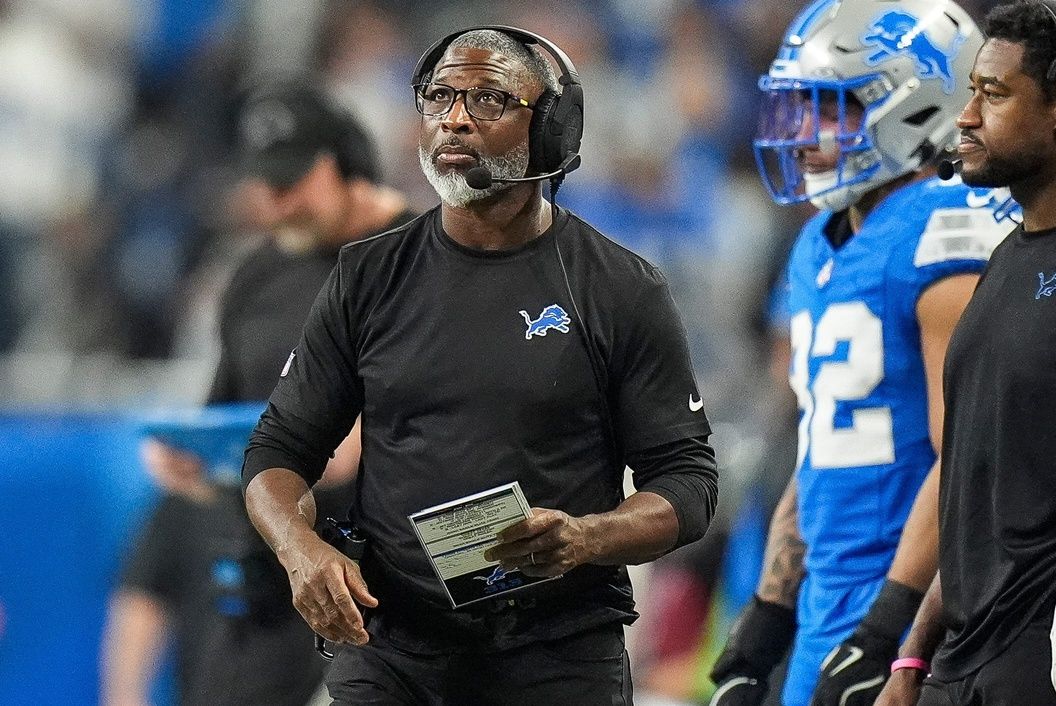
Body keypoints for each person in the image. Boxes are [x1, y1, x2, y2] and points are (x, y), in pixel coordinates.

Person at [240, 26, 719, 706]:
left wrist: (588, 537)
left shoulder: (620, 288)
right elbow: (277, 452)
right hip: (393, 645)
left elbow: (689, 482)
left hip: (558, 651)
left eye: (489, 98)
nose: (455, 117)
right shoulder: (365, 276)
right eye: (439, 96)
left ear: (551, 129)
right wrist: (300, 548)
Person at [707, 1, 1021, 705]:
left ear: (918, 105)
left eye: (830, 108)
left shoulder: (946, 235)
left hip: (918, 617)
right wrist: (769, 612)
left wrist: (890, 629)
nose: (804, 134)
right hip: (827, 611)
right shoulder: (819, 241)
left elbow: (966, 457)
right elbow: (823, 441)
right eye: (798, 107)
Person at [100, 81, 416, 706]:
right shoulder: (256, 274)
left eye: (293, 182)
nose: (276, 204)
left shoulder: (422, 259)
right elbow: (225, 415)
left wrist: (366, 435)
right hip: (272, 575)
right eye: (266, 186)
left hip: (393, 581)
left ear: (345, 163)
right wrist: (193, 458)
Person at [875, 2, 1056, 704]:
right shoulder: (1006, 262)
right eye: (971, 91)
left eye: (996, 94)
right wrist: (914, 657)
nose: (967, 118)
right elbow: (980, 495)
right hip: (961, 665)